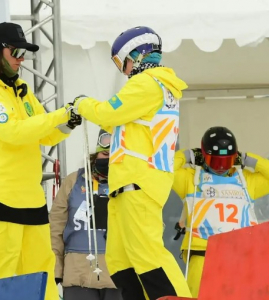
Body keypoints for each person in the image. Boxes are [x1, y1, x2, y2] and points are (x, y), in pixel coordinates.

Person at [70, 26, 191, 299]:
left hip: (139, 182)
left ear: (137, 55)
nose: (121, 70)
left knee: (147, 254)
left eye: (120, 61)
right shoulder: (156, 86)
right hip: (127, 183)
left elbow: (107, 113)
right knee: (120, 261)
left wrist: (81, 103)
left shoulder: (147, 83)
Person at [0, 22, 81, 300]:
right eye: (16, 51)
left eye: (24, 53)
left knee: (42, 280)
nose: (21, 59)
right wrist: (60, 114)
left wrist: (69, 122)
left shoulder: (21, 89)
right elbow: (12, 131)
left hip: (30, 199)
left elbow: (47, 134)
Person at [172, 126, 269, 297]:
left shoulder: (246, 181)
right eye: (215, 161)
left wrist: (249, 160)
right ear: (203, 156)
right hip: (203, 252)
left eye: (226, 161)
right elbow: (163, 171)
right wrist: (187, 155)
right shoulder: (191, 179)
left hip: (241, 255)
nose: (220, 167)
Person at [50, 129, 122, 300]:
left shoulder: (131, 184)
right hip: (78, 274)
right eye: (105, 153)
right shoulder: (74, 181)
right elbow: (56, 227)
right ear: (95, 154)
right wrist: (56, 269)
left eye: (114, 155)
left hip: (119, 274)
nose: (109, 159)